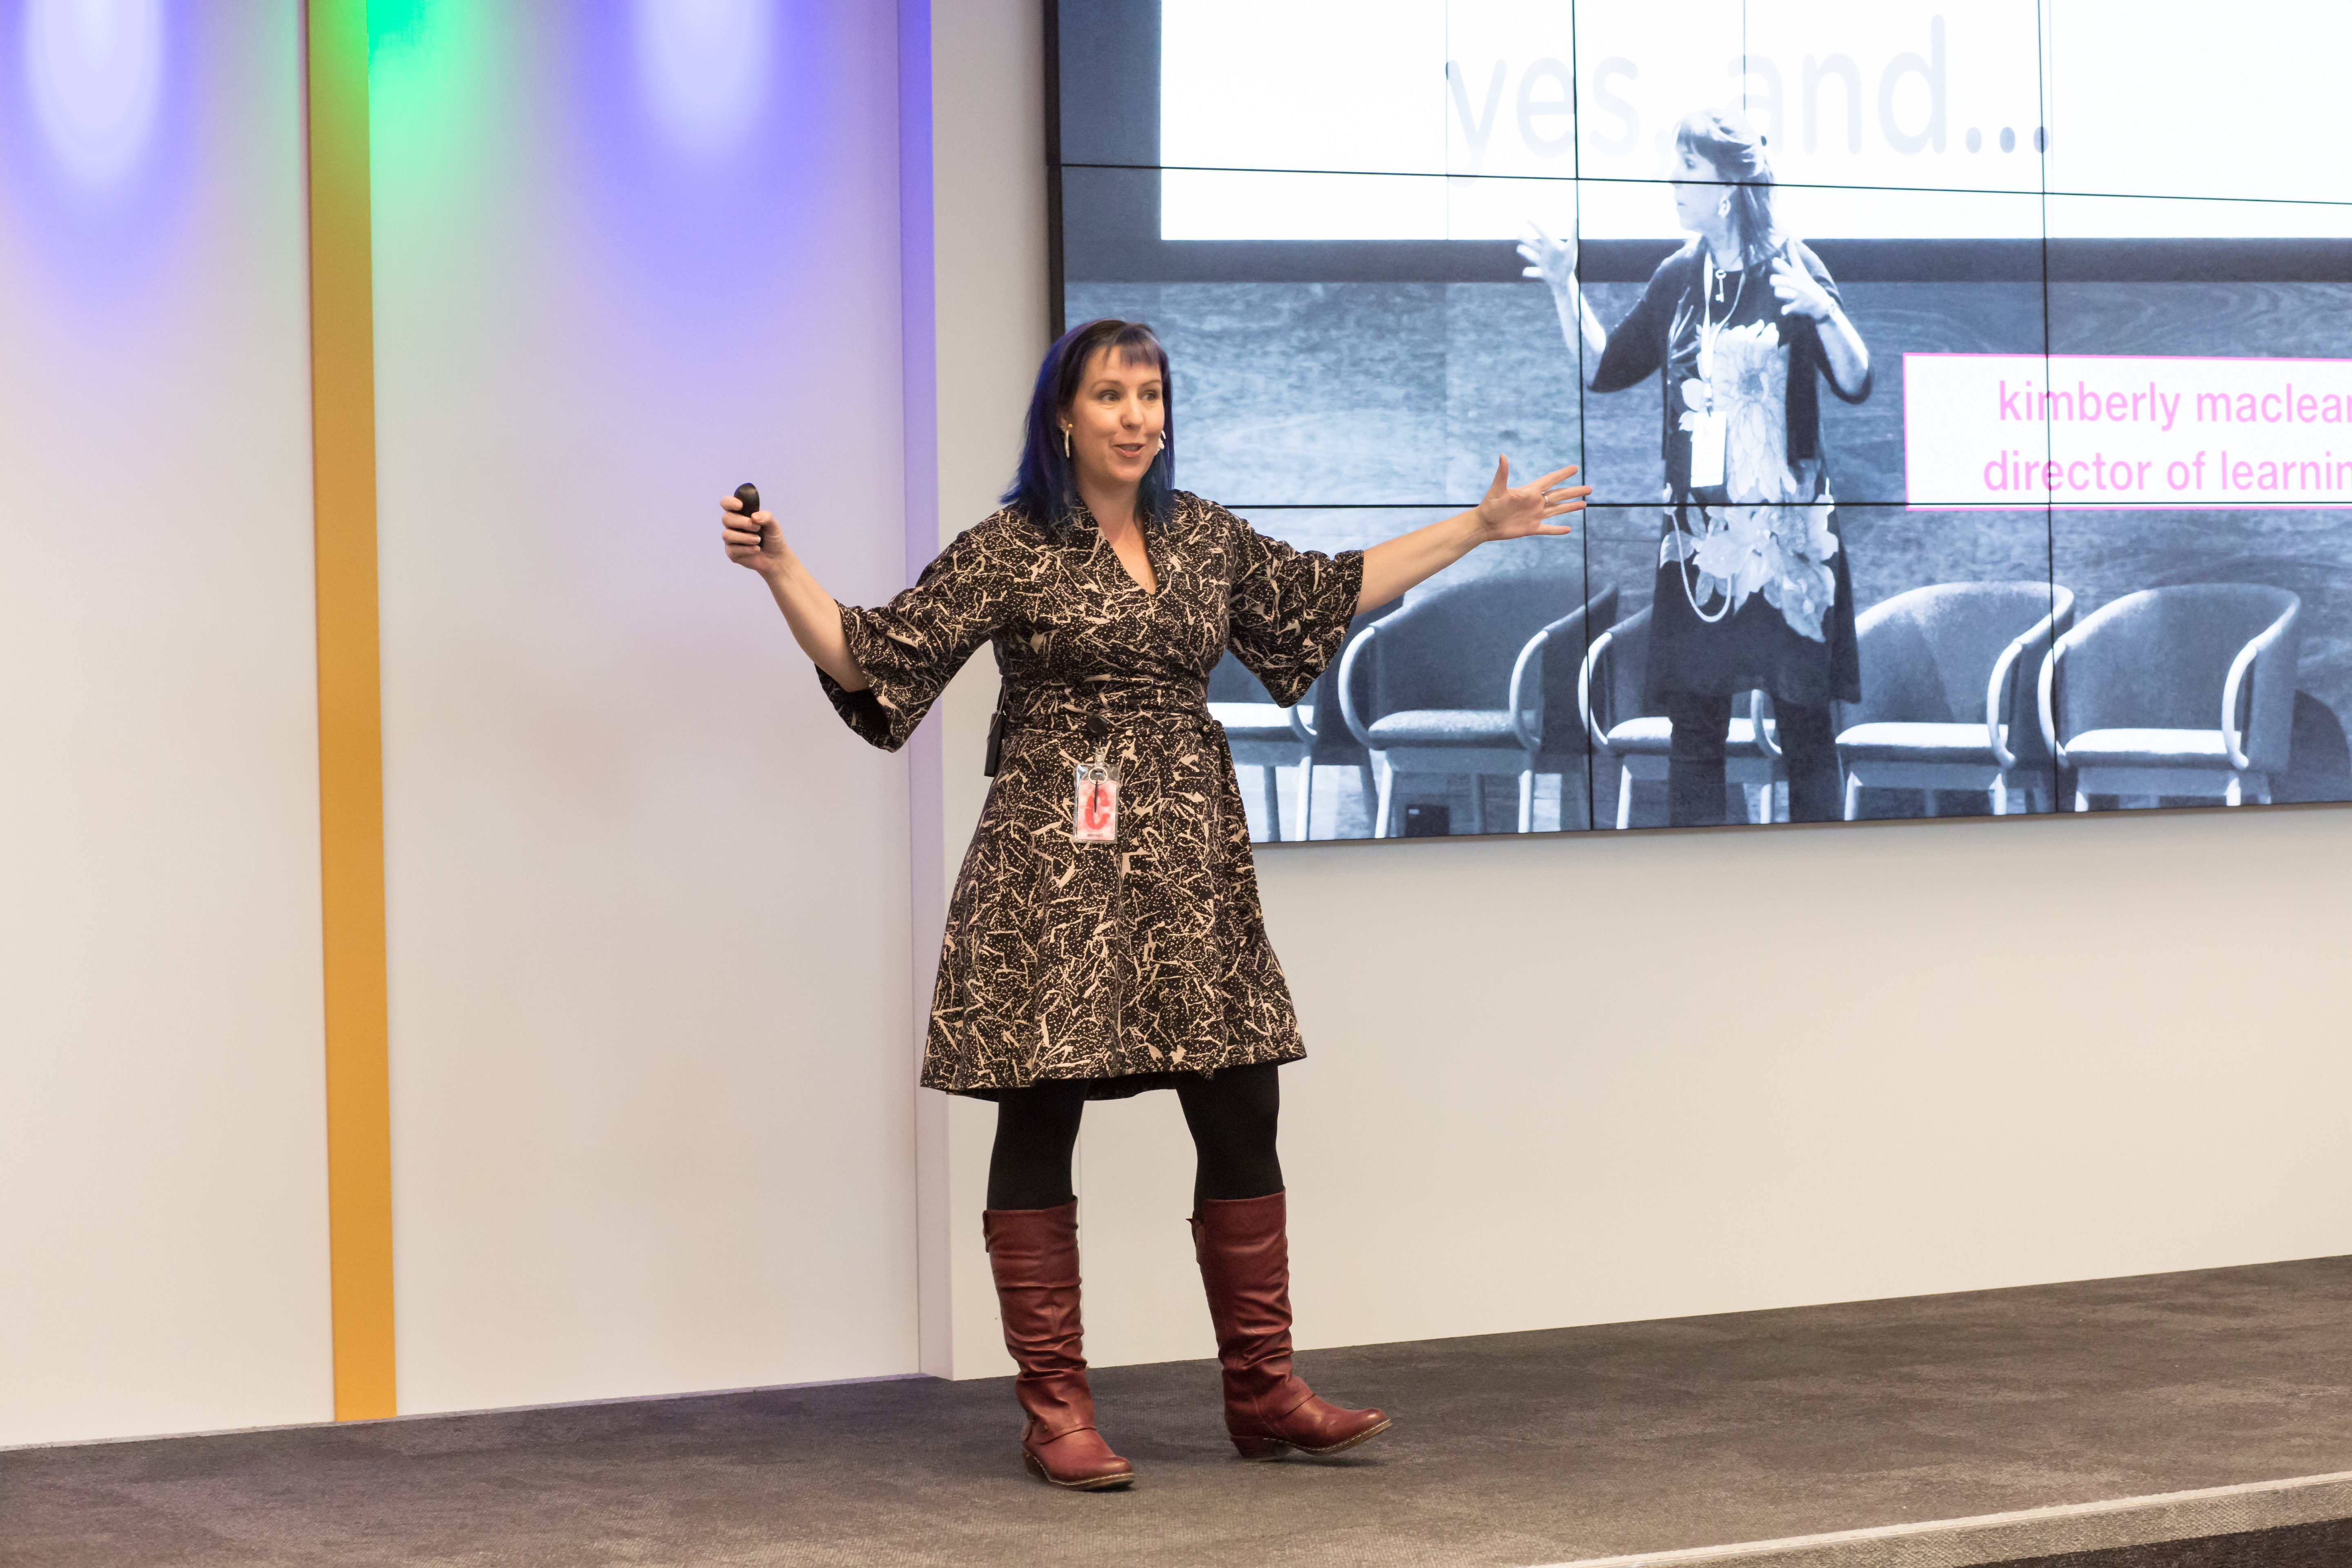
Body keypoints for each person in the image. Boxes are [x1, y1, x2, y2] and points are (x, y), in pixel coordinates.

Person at [721, 318, 1585, 1489]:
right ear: (1064, 417)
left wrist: (1479, 529)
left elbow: (1331, 590)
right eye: (1111, 394)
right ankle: (1056, 1413)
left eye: (1151, 395)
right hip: (1052, 872)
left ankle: (1265, 1392)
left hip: (1187, 865)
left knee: (1243, 1105)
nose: (1135, 415)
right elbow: (876, 655)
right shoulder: (1014, 547)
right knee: (1040, 1114)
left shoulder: (1204, 540)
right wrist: (782, 569)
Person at [1521, 109, 1872, 825]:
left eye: (1687, 170)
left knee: (1805, 728)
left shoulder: (1793, 265)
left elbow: (1857, 380)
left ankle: (1824, 891)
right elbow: (1604, 369)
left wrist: (1826, 314)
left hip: (1788, 540)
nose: (1672, 184)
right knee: (1695, 732)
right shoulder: (1678, 276)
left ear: (1730, 185)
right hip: (1701, 541)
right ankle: (1703, 891)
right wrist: (1565, 285)